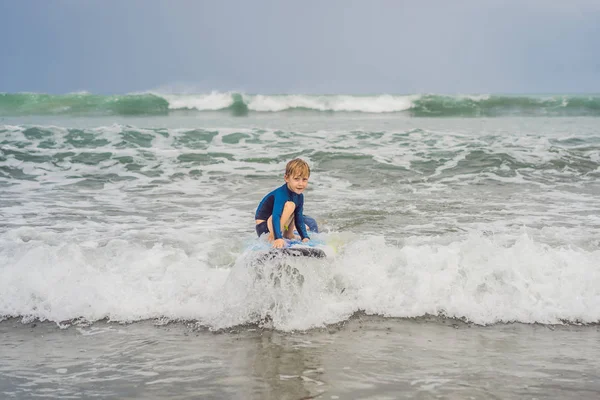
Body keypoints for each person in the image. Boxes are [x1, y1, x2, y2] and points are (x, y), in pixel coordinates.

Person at [255, 158, 311, 248]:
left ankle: (289, 234)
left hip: (276, 224)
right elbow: (276, 215)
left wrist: (304, 237)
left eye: (304, 179)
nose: (301, 184)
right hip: (265, 227)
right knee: (291, 205)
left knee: (296, 210)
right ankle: (274, 236)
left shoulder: (300, 196)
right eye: (296, 179)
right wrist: (278, 238)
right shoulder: (281, 194)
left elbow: (299, 217)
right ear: (286, 178)